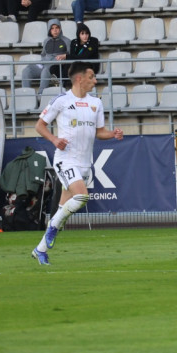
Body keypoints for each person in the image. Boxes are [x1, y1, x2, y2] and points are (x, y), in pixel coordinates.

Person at [32, 62, 124, 266]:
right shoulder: (61, 101)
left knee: (63, 212)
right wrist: (55, 140)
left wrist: (112, 134)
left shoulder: (96, 103)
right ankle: (52, 228)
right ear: (79, 78)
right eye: (92, 77)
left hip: (84, 163)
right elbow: (40, 125)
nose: (95, 80)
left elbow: (99, 132)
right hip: (66, 160)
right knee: (82, 196)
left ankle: (40, 250)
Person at [24, 19, 70, 98]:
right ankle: (26, 96)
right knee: (27, 70)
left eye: (57, 28)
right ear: (49, 30)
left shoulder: (67, 41)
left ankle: (40, 95)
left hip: (56, 67)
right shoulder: (46, 41)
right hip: (44, 64)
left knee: (45, 70)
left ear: (60, 29)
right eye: (52, 28)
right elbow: (43, 54)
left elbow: (69, 56)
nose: (55, 30)